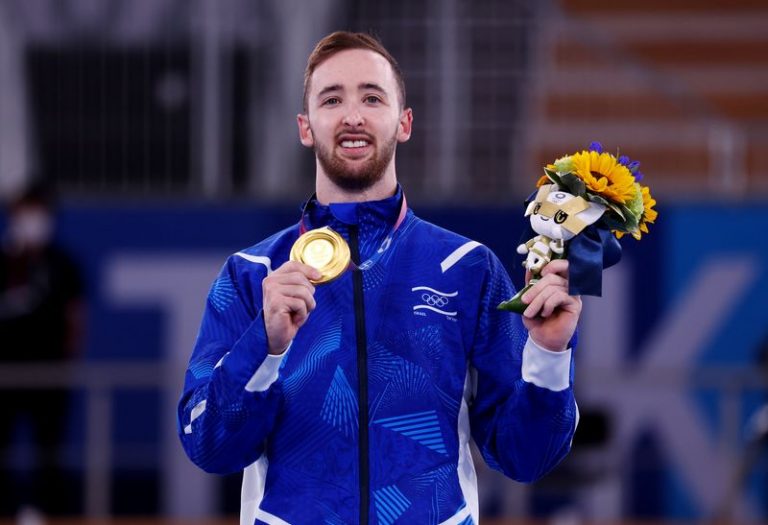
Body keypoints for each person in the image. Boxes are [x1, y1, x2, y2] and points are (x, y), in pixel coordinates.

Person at [178, 31, 581, 525]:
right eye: (332, 100)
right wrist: (264, 344)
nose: (353, 116)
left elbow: (526, 459)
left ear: (404, 122)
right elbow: (208, 447)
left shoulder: (467, 268)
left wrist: (548, 355)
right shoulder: (252, 274)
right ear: (305, 127)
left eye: (372, 97)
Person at [0, 183, 84, 519]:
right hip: (5, 374)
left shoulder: (62, 264)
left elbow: (76, 318)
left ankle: (48, 513)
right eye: (27, 210)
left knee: (49, 448)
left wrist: (65, 364)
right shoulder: (3, 263)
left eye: (39, 211)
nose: (33, 219)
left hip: (49, 374)